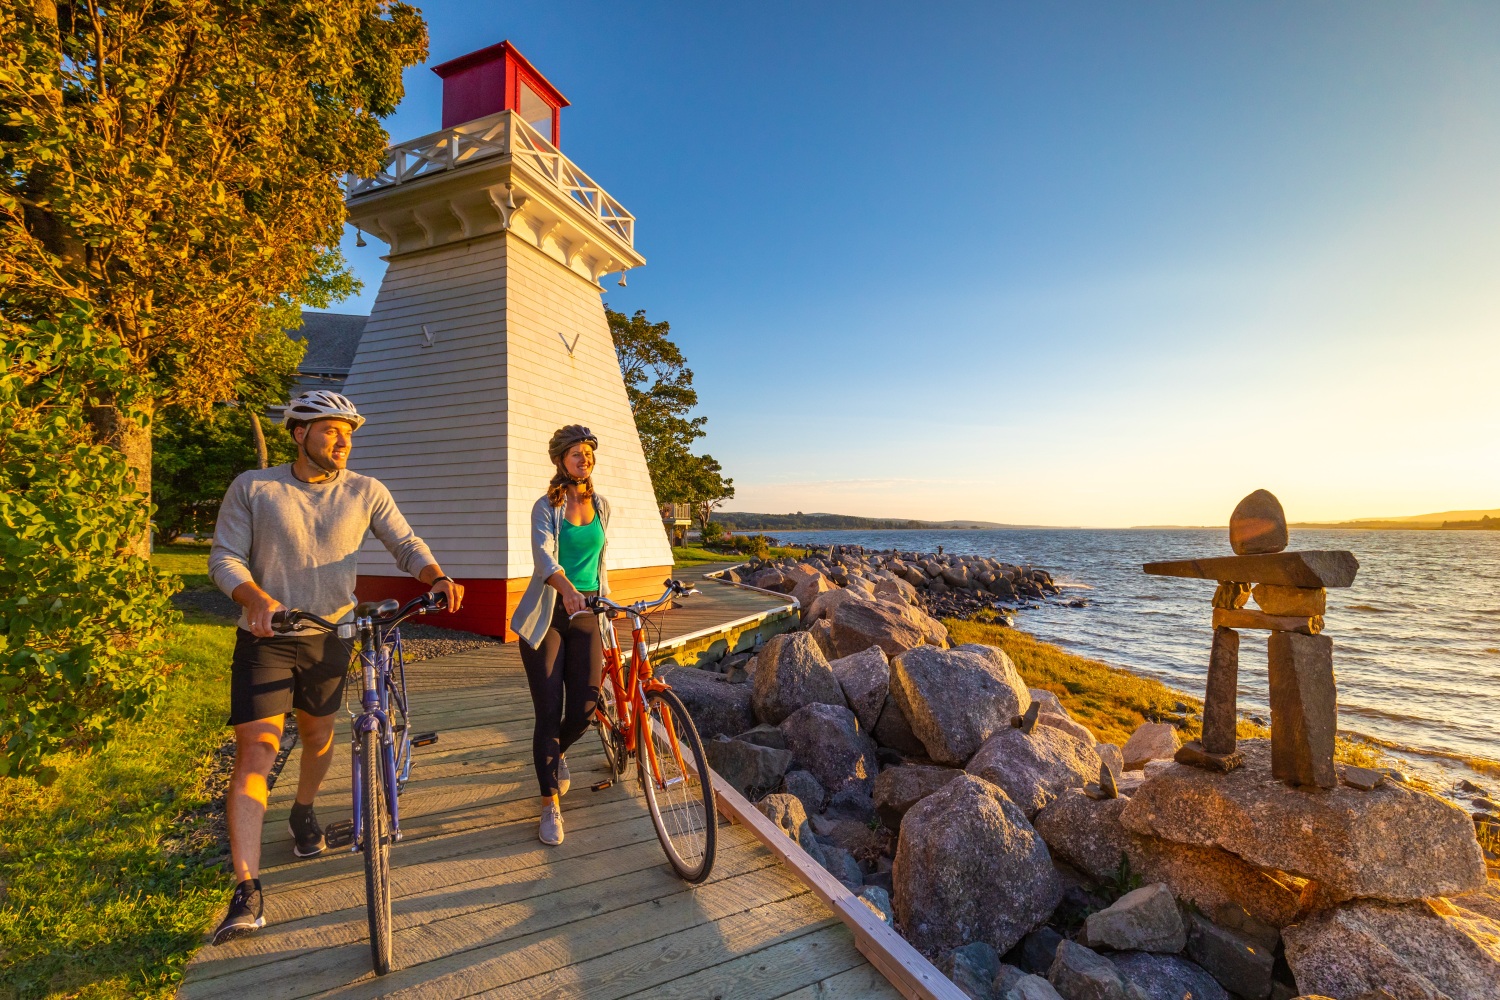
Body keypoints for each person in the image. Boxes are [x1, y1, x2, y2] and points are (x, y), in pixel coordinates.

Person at [206, 390, 464, 944]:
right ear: (299, 433)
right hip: (268, 635)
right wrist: (254, 598)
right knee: (258, 749)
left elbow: (405, 542)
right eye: (330, 430)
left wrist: (435, 575)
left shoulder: (366, 491)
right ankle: (247, 890)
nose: (343, 440)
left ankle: (302, 811)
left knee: (319, 735)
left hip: (333, 636)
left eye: (349, 431)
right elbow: (223, 557)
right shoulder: (255, 487)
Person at [510, 425, 611, 846]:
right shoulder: (545, 506)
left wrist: (606, 602)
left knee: (586, 707)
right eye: (574, 453)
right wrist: (568, 590)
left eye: (587, 452)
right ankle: (550, 804)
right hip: (548, 614)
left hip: (588, 611)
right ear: (560, 461)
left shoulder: (603, 505)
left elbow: (600, 561)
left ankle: (558, 755)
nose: (582, 458)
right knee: (549, 713)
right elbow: (544, 557)